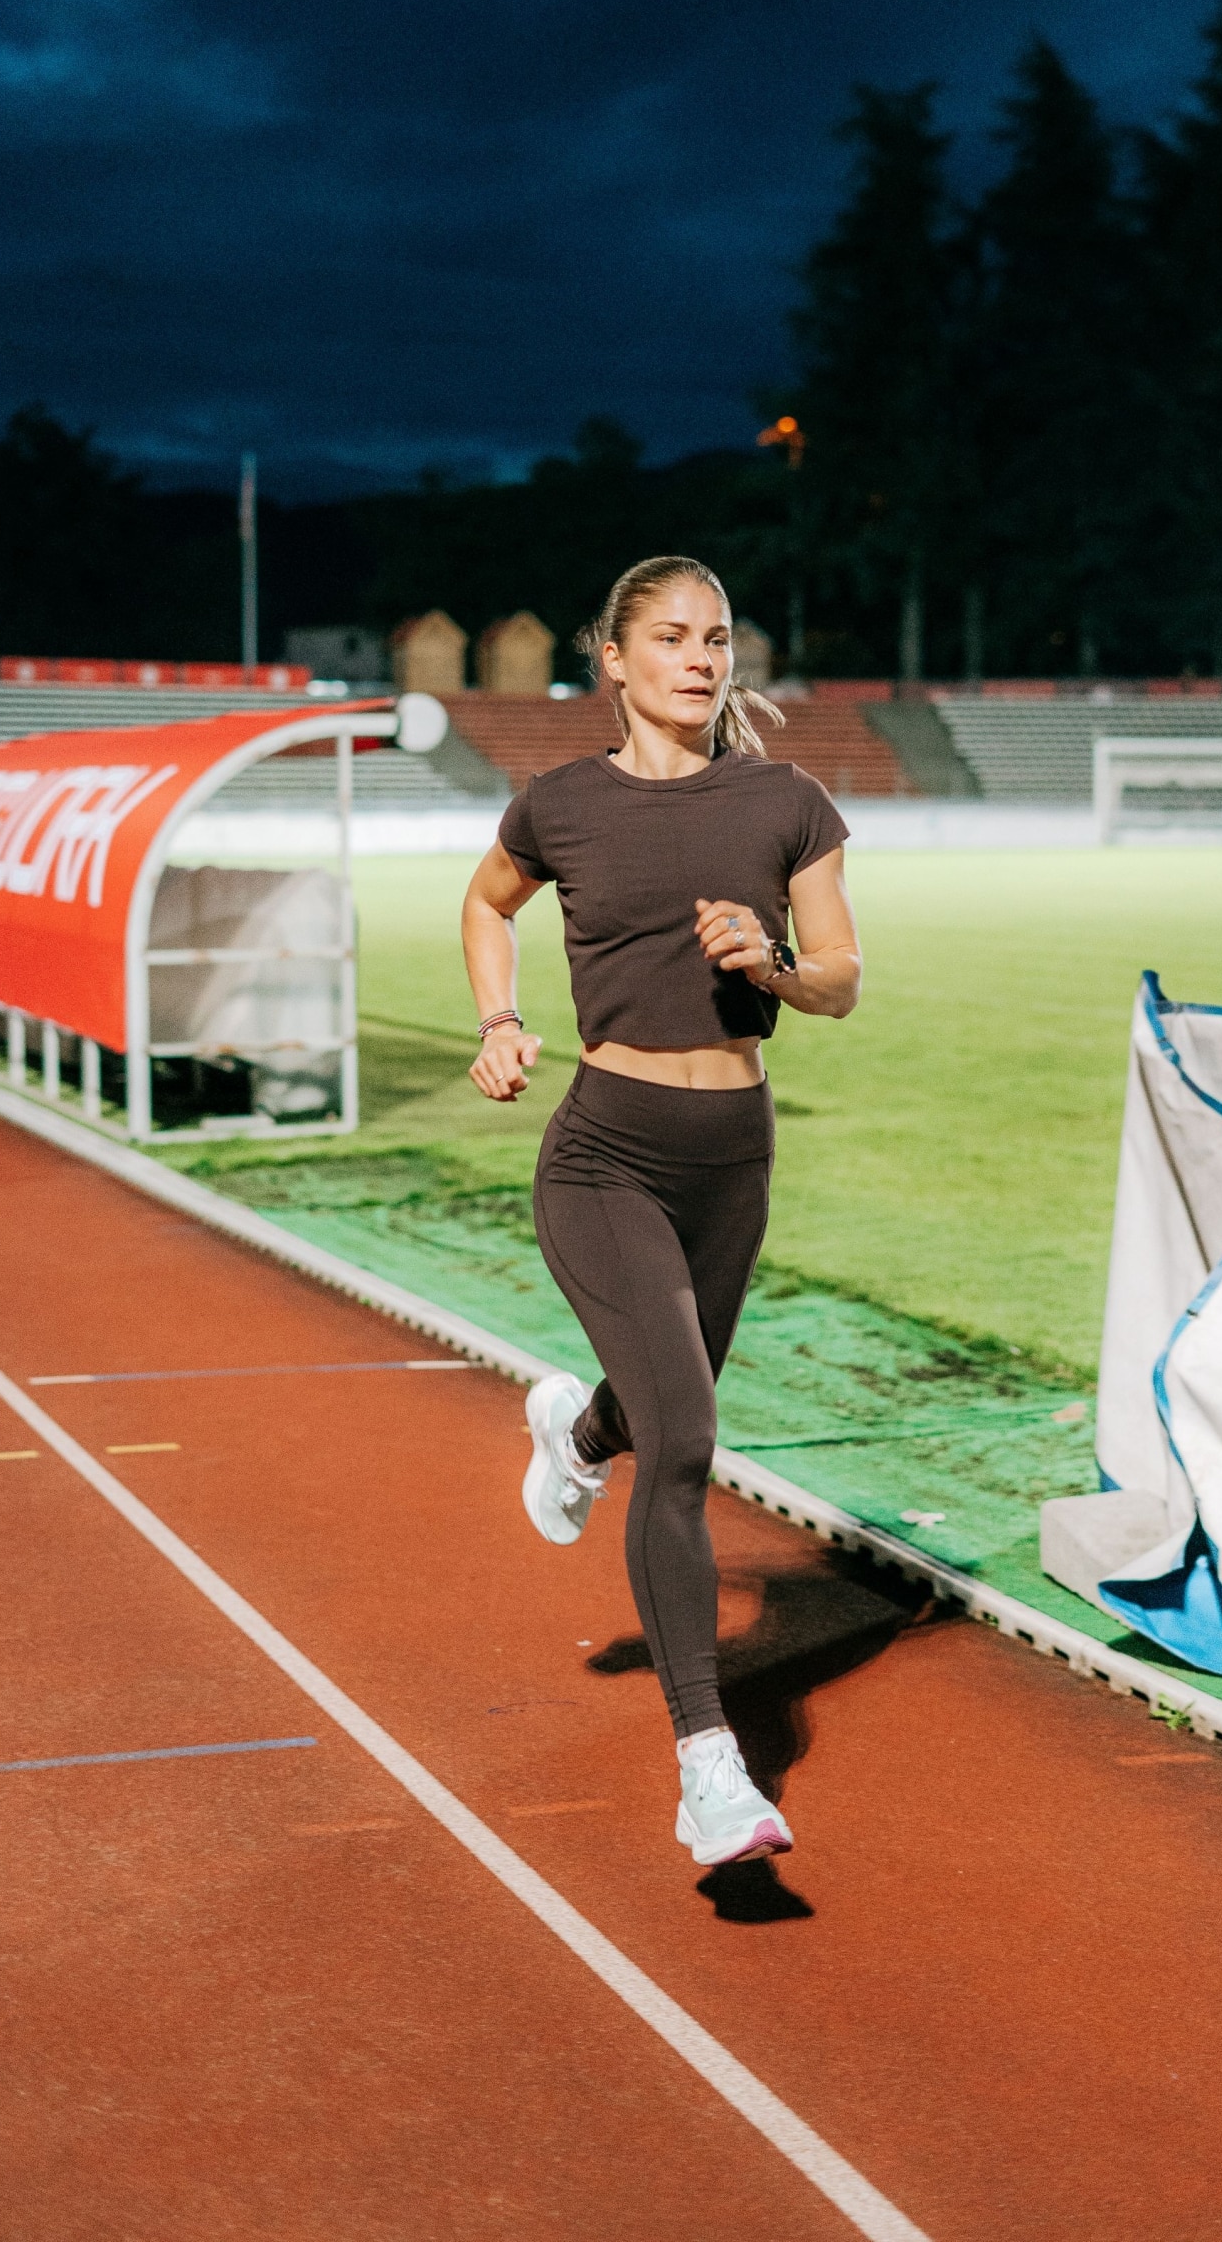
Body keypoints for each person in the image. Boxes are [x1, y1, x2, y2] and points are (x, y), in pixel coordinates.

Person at [460, 556, 862, 1867]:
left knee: (651, 1403)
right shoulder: (561, 804)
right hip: (604, 1156)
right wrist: (502, 1019)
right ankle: (710, 1767)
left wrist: (777, 967)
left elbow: (844, 982)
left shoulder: (788, 801)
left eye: (720, 638)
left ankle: (576, 1435)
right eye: (674, 638)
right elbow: (486, 902)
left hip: (733, 1156)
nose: (702, 658)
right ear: (617, 662)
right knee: (685, 1437)